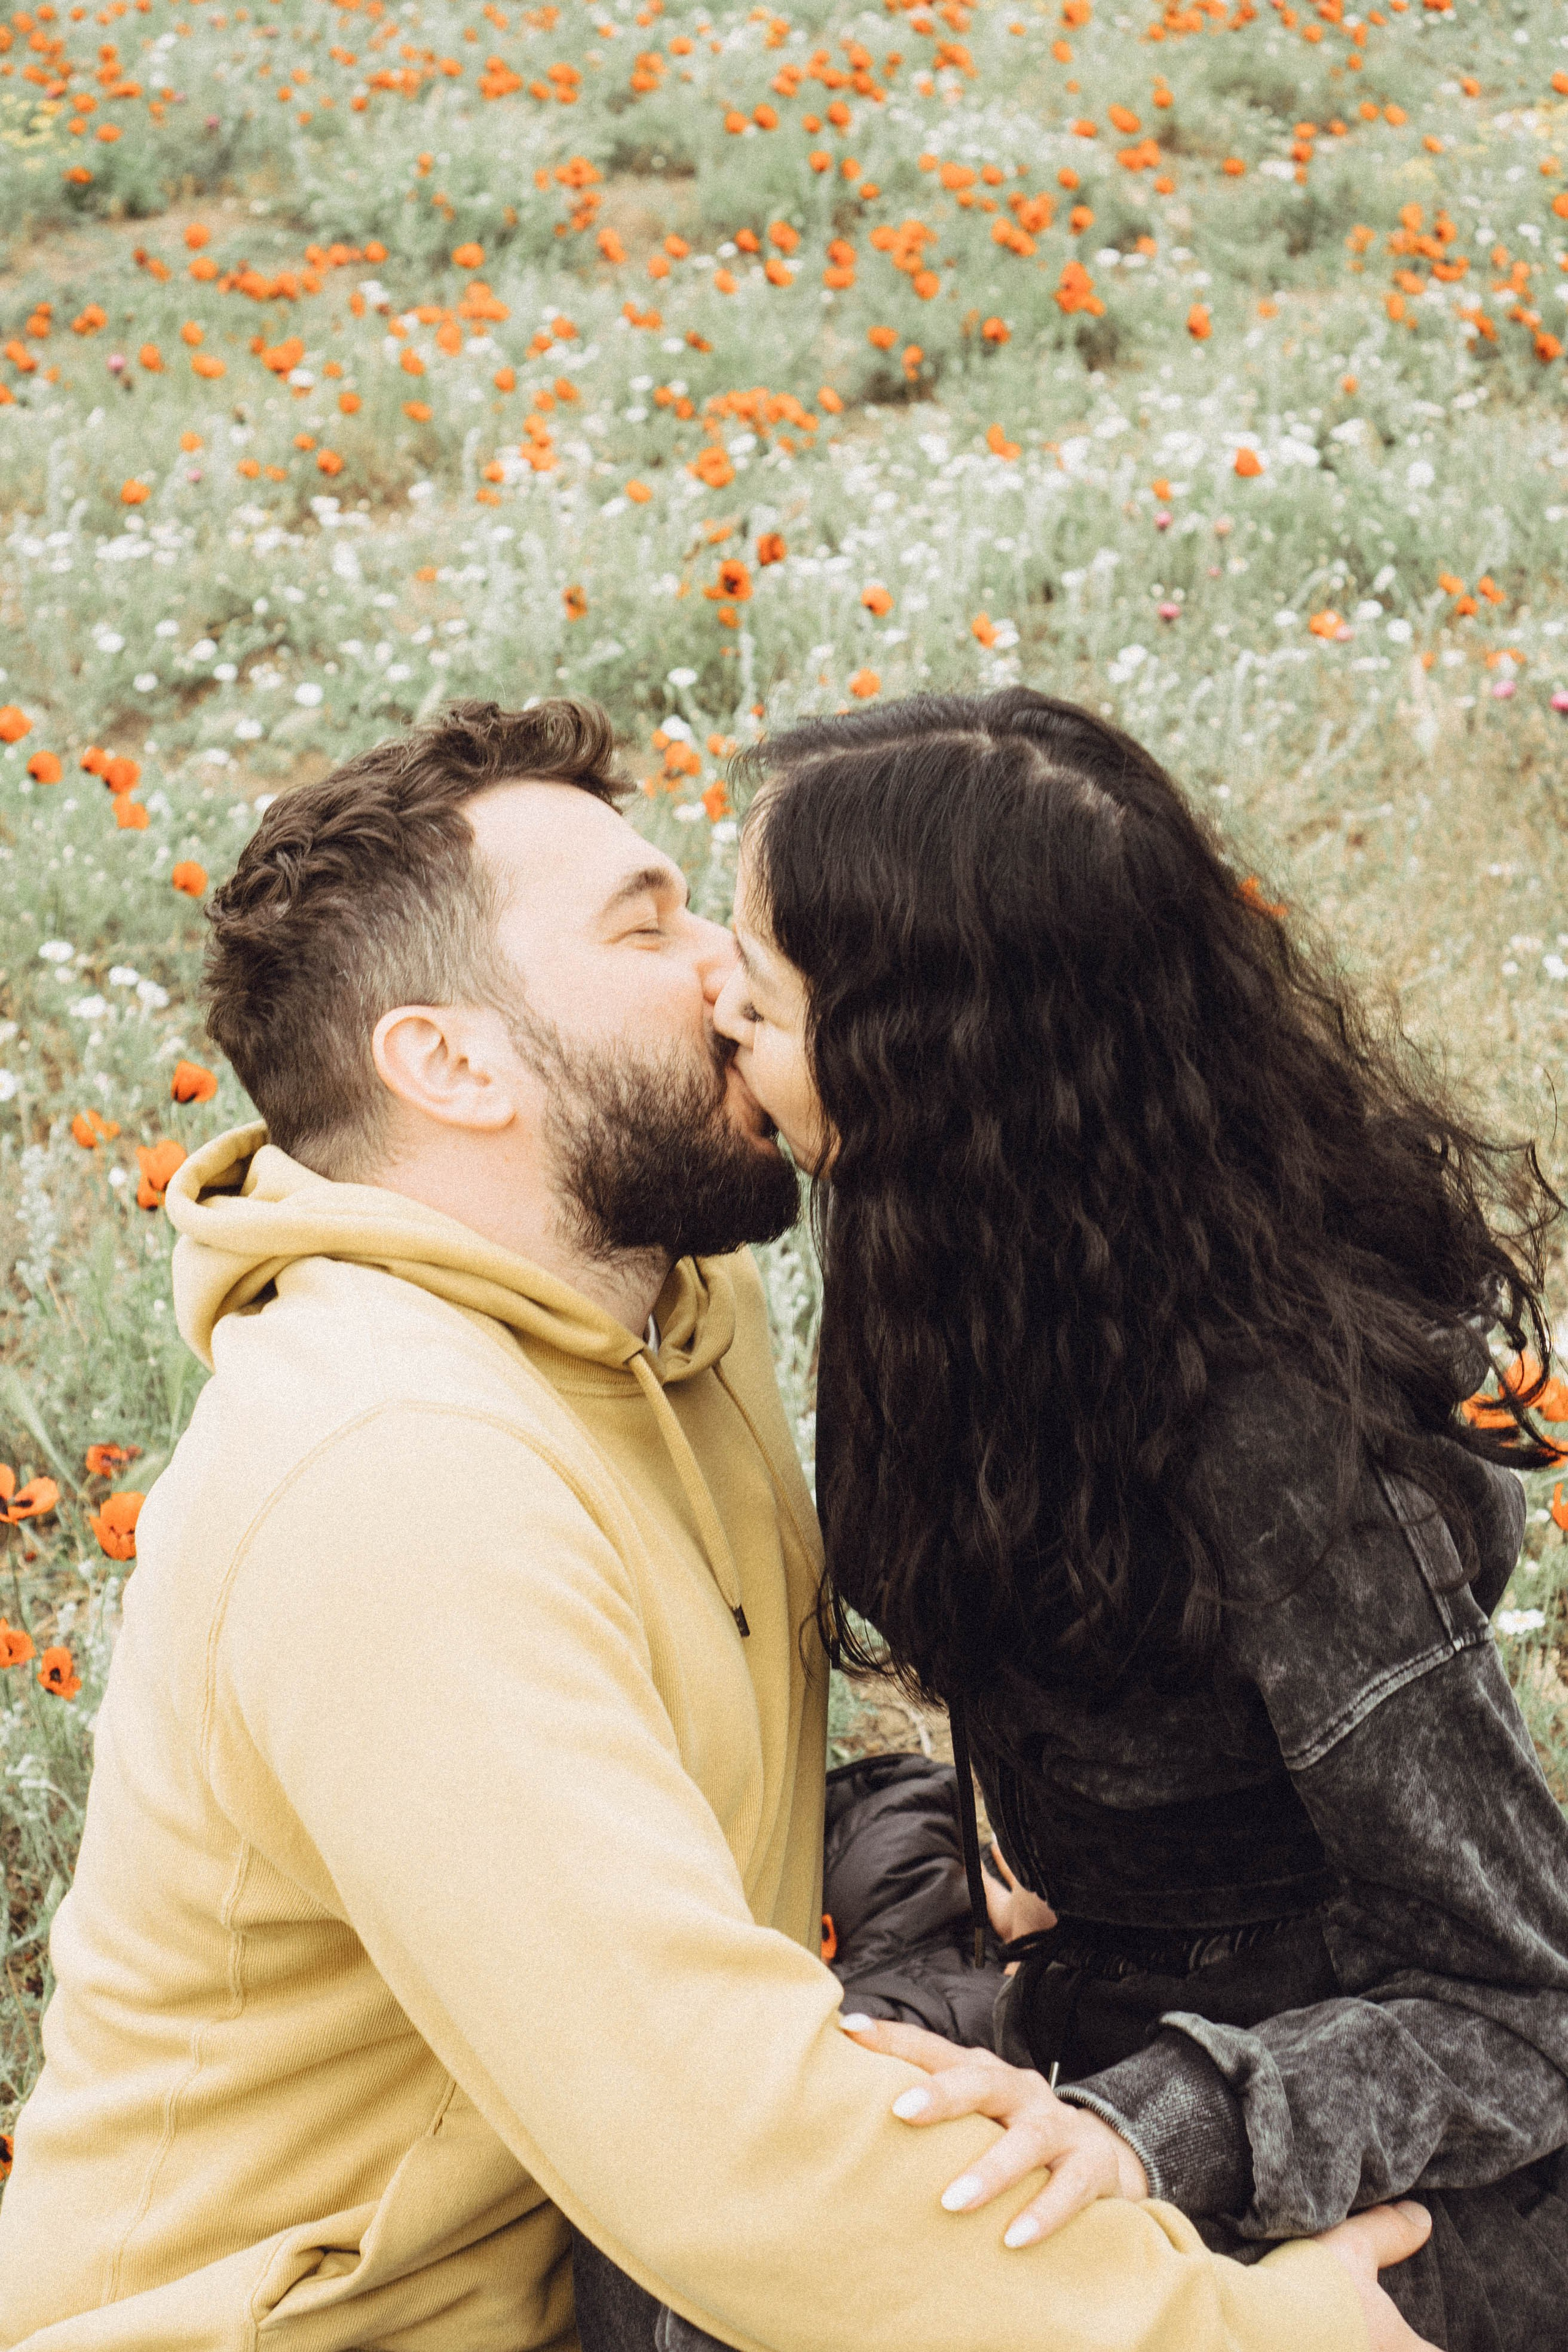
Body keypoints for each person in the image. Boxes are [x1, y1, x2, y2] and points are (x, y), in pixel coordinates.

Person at [0, 698, 1425, 2352]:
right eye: (648, 924)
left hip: (595, 2240)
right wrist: (1251, 2334)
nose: (730, 968)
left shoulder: (668, 1299)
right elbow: (720, 2143)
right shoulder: (386, 1476)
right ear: (453, 1061)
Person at [709, 684, 1568, 2352]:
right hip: (1077, 1960)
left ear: (922, 1073)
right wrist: (1016, 1813)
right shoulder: (946, 1261)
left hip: (1318, 2096)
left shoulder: (1285, 1444)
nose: (711, 1013)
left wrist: (1150, 2122)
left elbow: (1530, 2000)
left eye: (756, 996)